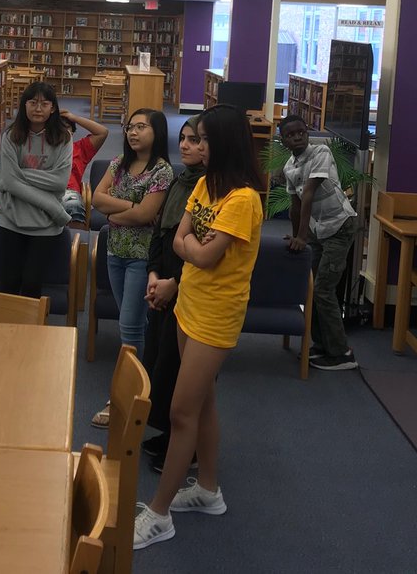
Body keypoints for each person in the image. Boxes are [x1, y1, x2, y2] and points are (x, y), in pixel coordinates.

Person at [134, 104, 264, 550]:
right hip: (188, 302)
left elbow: (204, 254)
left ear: (223, 143)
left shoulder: (243, 199)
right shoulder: (207, 184)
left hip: (215, 316)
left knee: (180, 412)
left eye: (204, 139)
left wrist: (192, 247)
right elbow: (178, 239)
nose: (195, 146)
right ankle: (208, 491)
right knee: (204, 403)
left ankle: (159, 513)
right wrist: (192, 249)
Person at [90, 108, 173, 427]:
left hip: (143, 255)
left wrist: (117, 215)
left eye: (142, 127)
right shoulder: (118, 164)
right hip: (115, 251)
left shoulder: (162, 171)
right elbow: (97, 199)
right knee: (135, 324)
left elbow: (145, 217)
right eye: (129, 127)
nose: (133, 132)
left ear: (157, 133)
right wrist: (133, 209)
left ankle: (123, 399)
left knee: (129, 326)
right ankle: (144, 390)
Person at [142, 116, 206, 472]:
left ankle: (188, 449)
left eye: (195, 140)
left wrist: (173, 284)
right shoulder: (179, 181)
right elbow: (159, 233)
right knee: (158, 361)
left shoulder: (211, 187)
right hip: (163, 278)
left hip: (187, 288)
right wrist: (153, 273)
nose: (185, 145)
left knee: (178, 367)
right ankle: (168, 434)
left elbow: (201, 251)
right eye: (182, 139)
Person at [278, 114, 359, 372]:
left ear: (307, 132)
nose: (297, 137)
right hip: (318, 230)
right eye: (291, 135)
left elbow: (309, 194)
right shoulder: (290, 167)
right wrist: (296, 236)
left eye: (301, 132)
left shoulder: (321, 152)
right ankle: (322, 345)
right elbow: (295, 205)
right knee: (311, 289)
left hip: (340, 226)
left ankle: (342, 353)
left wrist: (303, 238)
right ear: (284, 141)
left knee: (324, 289)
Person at [0, 80, 73, 298]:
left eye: (44, 104)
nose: (38, 109)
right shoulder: (11, 136)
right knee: (9, 283)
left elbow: (59, 182)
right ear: (24, 105)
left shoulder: (64, 138)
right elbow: (9, 183)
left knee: (32, 284)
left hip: (46, 224)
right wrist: (53, 205)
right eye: (32, 102)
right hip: (11, 219)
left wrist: (20, 175)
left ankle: (32, 332)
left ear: (53, 108)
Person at [60, 108, 109, 225]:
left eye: (66, 127)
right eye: (57, 128)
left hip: (68, 193)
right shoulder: (40, 149)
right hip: (46, 191)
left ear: (72, 132)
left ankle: (74, 240)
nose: (62, 131)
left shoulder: (79, 149)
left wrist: (74, 117)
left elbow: (102, 132)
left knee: (73, 206)